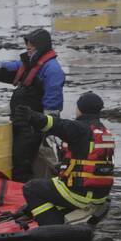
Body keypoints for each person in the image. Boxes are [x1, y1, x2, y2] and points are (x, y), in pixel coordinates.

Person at [0, 28, 65, 182]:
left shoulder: (52, 70)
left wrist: (47, 129)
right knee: (16, 161)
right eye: (27, 44)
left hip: (31, 127)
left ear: (41, 46)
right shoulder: (28, 64)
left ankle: (24, 197)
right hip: (19, 122)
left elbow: (53, 103)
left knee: (21, 165)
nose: (28, 47)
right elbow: (2, 69)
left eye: (32, 45)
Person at [14, 92, 114, 226]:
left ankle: (52, 226)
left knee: (32, 188)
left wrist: (31, 116)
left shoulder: (79, 128)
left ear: (80, 109)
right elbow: (91, 160)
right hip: (100, 194)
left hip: (80, 193)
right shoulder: (105, 133)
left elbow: (54, 124)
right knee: (54, 180)